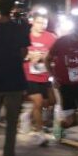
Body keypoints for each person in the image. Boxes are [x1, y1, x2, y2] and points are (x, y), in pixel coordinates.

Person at [46, 10, 78, 156]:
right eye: (77, 23)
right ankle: (59, 125)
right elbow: (47, 59)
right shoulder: (62, 41)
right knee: (70, 121)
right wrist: (52, 76)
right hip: (65, 85)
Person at [0, 0, 29, 156]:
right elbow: (23, 53)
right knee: (12, 123)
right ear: (13, 7)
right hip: (14, 78)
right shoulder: (20, 27)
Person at [23, 10, 57, 146]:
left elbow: (55, 55)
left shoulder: (51, 37)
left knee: (49, 102)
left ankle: (28, 116)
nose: (42, 25)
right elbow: (19, 53)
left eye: (44, 23)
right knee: (37, 102)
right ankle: (40, 133)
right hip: (29, 75)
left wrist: (46, 57)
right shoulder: (26, 36)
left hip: (45, 75)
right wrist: (29, 56)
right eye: (39, 22)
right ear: (32, 22)